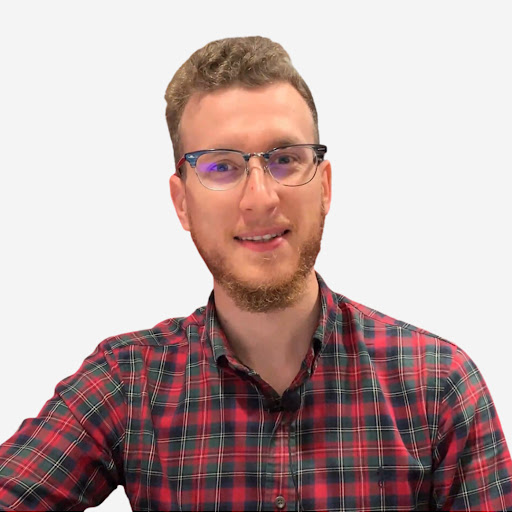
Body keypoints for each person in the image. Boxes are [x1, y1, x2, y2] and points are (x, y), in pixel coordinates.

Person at [0, 36, 511, 512]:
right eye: (221, 166)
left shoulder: (437, 384)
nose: (261, 198)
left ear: (325, 186)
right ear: (182, 203)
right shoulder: (127, 380)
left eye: (285, 159)